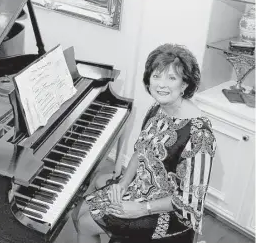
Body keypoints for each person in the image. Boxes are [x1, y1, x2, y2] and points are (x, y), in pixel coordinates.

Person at [72, 43, 217, 243]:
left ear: (184, 85)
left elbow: (189, 201)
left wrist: (140, 209)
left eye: (171, 78)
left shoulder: (199, 134)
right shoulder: (157, 109)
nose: (161, 84)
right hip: (140, 187)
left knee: (86, 223)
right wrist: (123, 184)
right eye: (156, 76)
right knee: (78, 212)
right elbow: (140, 153)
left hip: (170, 211)